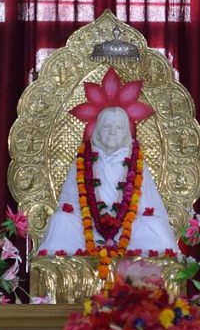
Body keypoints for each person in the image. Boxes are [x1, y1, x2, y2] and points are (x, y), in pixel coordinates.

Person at [39, 103, 178, 256]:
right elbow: (70, 201)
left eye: (118, 128)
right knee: (60, 220)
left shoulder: (136, 161)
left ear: (126, 132)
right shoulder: (83, 160)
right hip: (87, 228)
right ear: (98, 130)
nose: (112, 132)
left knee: (154, 225)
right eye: (107, 127)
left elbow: (148, 204)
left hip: (128, 228)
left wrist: (125, 221)